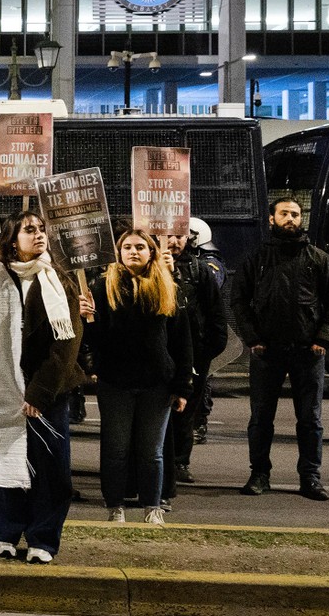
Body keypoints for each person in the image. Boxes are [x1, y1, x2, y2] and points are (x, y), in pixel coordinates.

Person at [0, 211, 86, 563]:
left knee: (50, 468)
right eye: (30, 230)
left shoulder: (60, 280)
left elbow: (65, 345)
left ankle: (43, 538)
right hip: (5, 388)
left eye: (42, 229)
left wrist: (38, 394)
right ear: (13, 239)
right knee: (4, 461)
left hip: (49, 392)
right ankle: (5, 532)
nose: (39, 234)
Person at [232, 198, 329, 502]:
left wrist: (324, 338)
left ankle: (310, 478)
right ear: (272, 219)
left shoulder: (319, 259)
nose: (291, 218)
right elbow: (239, 300)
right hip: (266, 352)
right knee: (260, 418)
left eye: (295, 214)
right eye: (284, 214)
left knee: (310, 420)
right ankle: (259, 474)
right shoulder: (256, 257)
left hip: (309, 352)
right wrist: (253, 337)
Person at [84, 228, 190, 525]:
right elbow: (96, 340)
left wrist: (183, 386)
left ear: (151, 252)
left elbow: (182, 341)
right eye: (127, 247)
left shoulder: (167, 287)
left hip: (157, 383)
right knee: (116, 449)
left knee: (152, 452)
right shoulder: (102, 286)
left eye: (140, 247)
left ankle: (152, 506)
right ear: (118, 253)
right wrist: (88, 319)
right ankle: (115, 505)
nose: (134, 251)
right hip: (115, 382)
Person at [161, 221, 227, 503]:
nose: (174, 241)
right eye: (169, 236)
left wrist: (206, 352)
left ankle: (179, 462)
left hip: (194, 355)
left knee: (186, 411)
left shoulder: (200, 271)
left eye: (179, 236)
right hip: (160, 354)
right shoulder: (149, 268)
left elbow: (216, 316)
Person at [184, 218, 228, 445]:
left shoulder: (210, 263)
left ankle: (199, 422)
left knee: (202, 382)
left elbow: (213, 284)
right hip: (190, 331)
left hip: (200, 332)